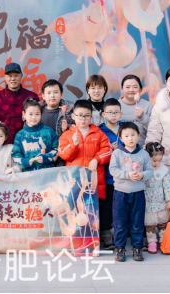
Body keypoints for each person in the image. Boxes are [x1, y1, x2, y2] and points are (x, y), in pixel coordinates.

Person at [59, 99, 112, 243]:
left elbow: (108, 150)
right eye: (80, 115)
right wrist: (73, 145)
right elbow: (63, 154)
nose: (83, 118)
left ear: (91, 117)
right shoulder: (67, 135)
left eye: (87, 115)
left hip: (93, 181)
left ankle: (93, 240)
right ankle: (76, 238)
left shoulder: (98, 133)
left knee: (92, 210)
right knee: (74, 208)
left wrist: (97, 159)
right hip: (74, 181)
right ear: (73, 116)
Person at [108, 122, 153, 262]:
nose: (130, 138)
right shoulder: (117, 153)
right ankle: (120, 248)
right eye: (126, 136)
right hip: (120, 193)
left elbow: (150, 170)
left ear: (138, 136)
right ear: (121, 138)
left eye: (133, 135)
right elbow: (112, 170)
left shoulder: (143, 154)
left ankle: (137, 248)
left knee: (137, 222)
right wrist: (127, 175)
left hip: (138, 193)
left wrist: (142, 175)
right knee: (120, 222)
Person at [0, 62, 39, 145]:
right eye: (10, 76)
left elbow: (38, 119)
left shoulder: (32, 96)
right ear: (5, 77)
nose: (13, 79)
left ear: (21, 76)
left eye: (16, 75)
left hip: (28, 142)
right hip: (3, 144)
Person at [97, 98, 124, 250]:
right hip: (107, 176)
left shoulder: (126, 129)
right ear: (104, 114)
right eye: (110, 112)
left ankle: (121, 234)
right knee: (106, 207)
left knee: (120, 207)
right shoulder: (99, 131)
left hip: (123, 177)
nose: (113, 115)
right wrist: (109, 149)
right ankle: (105, 232)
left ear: (121, 114)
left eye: (116, 112)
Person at [143, 142, 170, 254]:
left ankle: (163, 240)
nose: (157, 163)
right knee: (150, 224)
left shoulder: (163, 170)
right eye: (154, 160)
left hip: (161, 202)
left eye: (159, 160)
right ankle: (151, 242)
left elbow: (168, 185)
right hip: (148, 202)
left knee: (163, 223)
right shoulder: (143, 169)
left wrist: (169, 200)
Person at [12, 98, 59, 172]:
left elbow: (57, 149)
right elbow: (16, 155)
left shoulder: (48, 131)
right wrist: (26, 162)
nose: (34, 117)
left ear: (41, 114)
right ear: (24, 114)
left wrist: (45, 158)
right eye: (30, 114)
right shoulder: (20, 135)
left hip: (48, 173)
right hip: (29, 174)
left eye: (37, 114)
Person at [118, 75, 153, 146]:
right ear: (122, 89)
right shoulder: (115, 106)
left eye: (135, 87)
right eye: (127, 87)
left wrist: (143, 117)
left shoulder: (148, 106)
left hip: (142, 148)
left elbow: (154, 131)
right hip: (120, 149)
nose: (131, 90)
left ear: (140, 89)